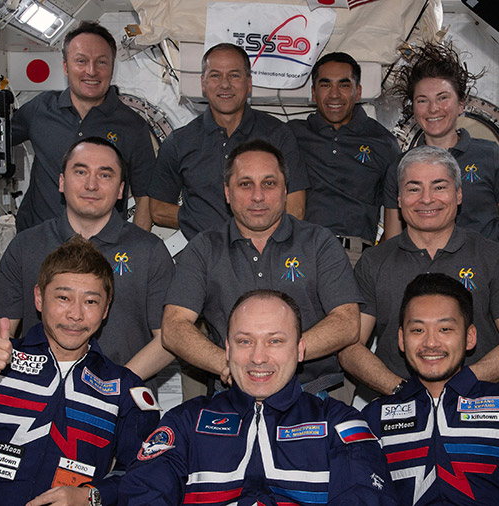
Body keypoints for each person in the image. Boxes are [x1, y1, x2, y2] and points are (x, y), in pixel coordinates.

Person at [0, 236, 162, 506]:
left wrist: (92, 496)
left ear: (106, 308)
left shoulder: (124, 388)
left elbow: (146, 476)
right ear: (39, 298)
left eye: (91, 301)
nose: (76, 314)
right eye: (63, 297)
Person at [122, 289, 397, 505]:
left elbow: (366, 496)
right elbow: (143, 492)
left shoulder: (339, 423)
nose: (258, 357)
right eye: (245, 341)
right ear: (227, 349)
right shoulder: (186, 422)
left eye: (275, 341)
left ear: (300, 350)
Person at [160, 139, 360, 400]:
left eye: (269, 183)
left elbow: (347, 322)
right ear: (227, 193)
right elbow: (174, 326)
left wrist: (283, 357)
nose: (257, 196)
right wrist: (228, 363)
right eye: (245, 184)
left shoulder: (319, 242)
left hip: (312, 394)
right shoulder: (205, 247)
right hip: (233, 394)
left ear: (285, 190)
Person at [362, 273, 499, 505]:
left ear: (470, 337)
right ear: (402, 339)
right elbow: (356, 494)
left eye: (445, 329)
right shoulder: (373, 419)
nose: (431, 343)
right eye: (418, 330)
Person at [339, 146, 499, 397]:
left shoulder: (494, 257)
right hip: (395, 408)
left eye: (439, 187)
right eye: (413, 188)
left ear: (459, 194)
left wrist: (460, 386)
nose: (427, 198)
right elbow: (350, 348)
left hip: (478, 406)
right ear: (398, 199)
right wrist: (403, 391)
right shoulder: (373, 262)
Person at [0, 137, 174, 388]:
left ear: (120, 190)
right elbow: (0, 335)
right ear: (62, 182)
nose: (91, 185)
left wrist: (110, 385)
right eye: (81, 172)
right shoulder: (25, 246)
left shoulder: (149, 251)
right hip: (38, 398)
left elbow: (168, 340)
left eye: (105, 175)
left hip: (123, 402)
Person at [384, 41, 499, 274]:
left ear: (461, 104)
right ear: (414, 108)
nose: (433, 109)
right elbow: (392, 242)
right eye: (422, 100)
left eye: (443, 98)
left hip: (485, 279)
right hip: (424, 285)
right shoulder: (400, 167)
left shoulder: (492, 157)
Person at [148, 43, 309, 240]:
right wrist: (201, 222)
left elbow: (296, 207)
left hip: (268, 257)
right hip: (206, 261)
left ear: (249, 83)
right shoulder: (179, 142)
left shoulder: (278, 135)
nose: (225, 84)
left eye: (234, 75)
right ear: (203, 83)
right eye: (215, 75)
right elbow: (157, 209)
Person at [12, 21, 156, 232]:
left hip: (100, 252)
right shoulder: (39, 110)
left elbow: (145, 199)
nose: (91, 71)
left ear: (112, 67)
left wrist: (135, 251)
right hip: (39, 244)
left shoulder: (133, 127)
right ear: (65, 66)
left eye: (101, 62)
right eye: (81, 61)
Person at [288, 52, 402, 259]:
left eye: (344, 85)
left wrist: (375, 259)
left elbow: (402, 210)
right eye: (325, 85)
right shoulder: (291, 135)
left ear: (357, 92)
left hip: (356, 257)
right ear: (313, 93)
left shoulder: (383, 142)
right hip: (301, 254)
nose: (334, 94)